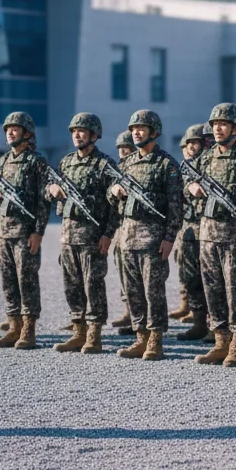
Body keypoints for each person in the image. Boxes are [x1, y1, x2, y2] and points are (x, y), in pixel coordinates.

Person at [189, 104, 236, 367]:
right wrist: (193, 187)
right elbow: (187, 180)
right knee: (212, 290)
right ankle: (220, 341)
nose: (217, 128)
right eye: (215, 124)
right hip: (207, 235)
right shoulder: (206, 157)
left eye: (223, 124)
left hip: (234, 238)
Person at [109, 110, 184, 361]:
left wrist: (169, 237)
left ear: (154, 132)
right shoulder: (127, 162)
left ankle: (155, 340)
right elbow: (110, 197)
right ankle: (140, 337)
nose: (136, 132)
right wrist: (114, 190)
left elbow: (175, 206)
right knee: (132, 291)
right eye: (133, 129)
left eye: (142, 128)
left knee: (153, 291)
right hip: (128, 236)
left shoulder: (166, 164)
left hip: (153, 238)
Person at [45, 112, 119, 354]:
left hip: (92, 237)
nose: (77, 135)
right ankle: (78, 332)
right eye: (74, 131)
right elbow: (51, 191)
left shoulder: (105, 165)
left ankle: (95, 336)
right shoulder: (66, 162)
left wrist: (108, 235)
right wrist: (51, 189)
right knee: (72, 285)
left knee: (93, 284)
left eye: (82, 131)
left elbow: (115, 205)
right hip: (68, 236)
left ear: (94, 135)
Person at [0, 112, 51, 350]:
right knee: (8, 281)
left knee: (26, 281)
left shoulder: (36, 161)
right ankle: (14, 327)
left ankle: (28, 331)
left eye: (15, 128)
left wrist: (38, 232)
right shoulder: (1, 162)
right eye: (7, 129)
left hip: (25, 233)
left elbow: (43, 200)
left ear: (27, 133)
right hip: (3, 233)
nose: (10, 132)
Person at [173, 125, 210, 340]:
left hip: (209, 230)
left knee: (212, 280)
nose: (193, 146)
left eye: (196, 142)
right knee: (191, 278)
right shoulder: (185, 169)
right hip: (188, 230)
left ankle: (217, 326)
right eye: (189, 143)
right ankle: (198, 322)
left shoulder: (211, 164)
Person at [110, 130, 136, 334]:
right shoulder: (117, 170)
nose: (123, 153)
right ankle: (129, 311)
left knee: (138, 276)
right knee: (122, 271)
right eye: (121, 149)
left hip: (137, 230)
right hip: (120, 229)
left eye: (127, 149)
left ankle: (140, 320)